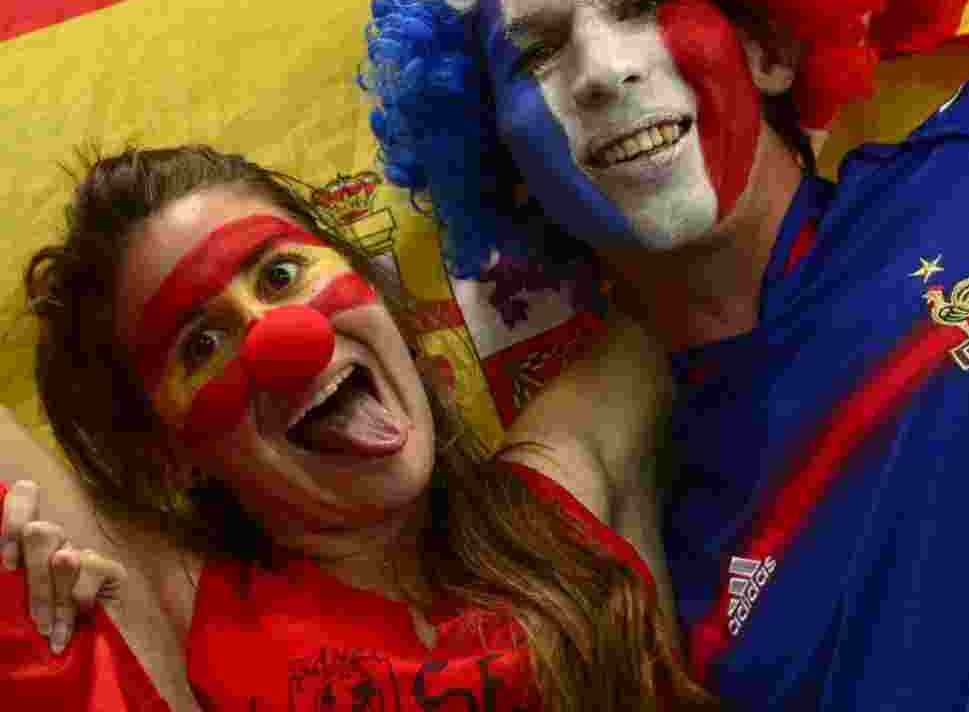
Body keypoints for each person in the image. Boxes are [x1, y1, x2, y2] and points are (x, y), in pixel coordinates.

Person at [360, 0, 969, 711]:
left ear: (763, 46)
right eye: (535, 52)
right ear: (504, 168)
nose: (603, 71)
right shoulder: (632, 553)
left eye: (641, 5)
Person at [0, 143, 704, 711]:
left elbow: (705, 253)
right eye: (201, 346)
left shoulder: (566, 489)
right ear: (169, 456)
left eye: (279, 276)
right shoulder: (187, 617)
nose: (284, 339)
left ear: (369, 285)